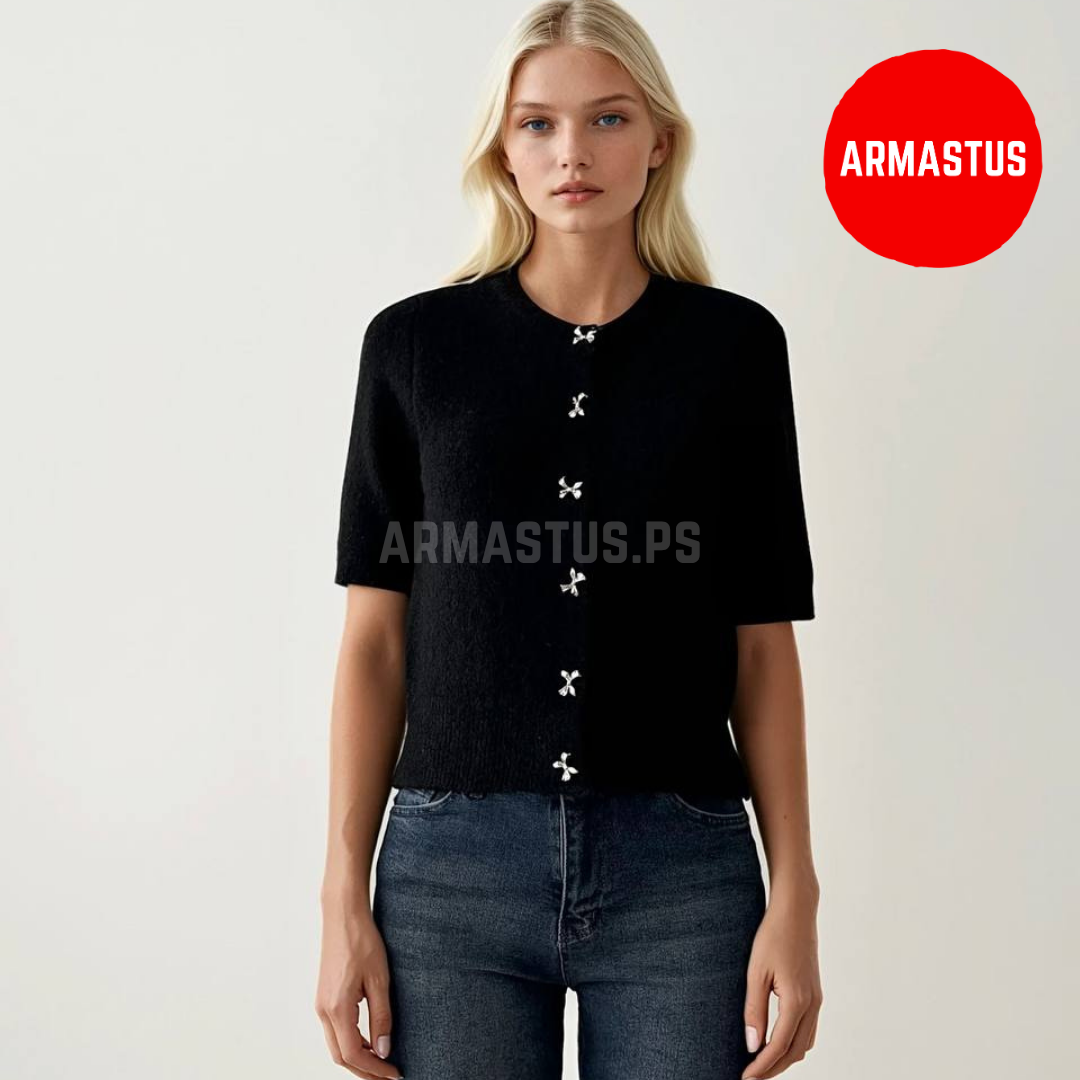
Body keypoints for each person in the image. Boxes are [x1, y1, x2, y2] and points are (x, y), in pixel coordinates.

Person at [315, 2, 823, 1078]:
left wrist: (797, 896)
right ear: (502, 149)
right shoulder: (413, 348)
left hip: (683, 869)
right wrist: (340, 900)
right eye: (537, 123)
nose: (572, 153)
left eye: (608, 118)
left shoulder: (736, 350)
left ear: (660, 142)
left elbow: (763, 643)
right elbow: (374, 644)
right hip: (450, 873)